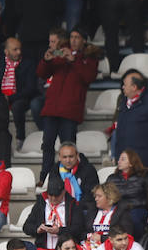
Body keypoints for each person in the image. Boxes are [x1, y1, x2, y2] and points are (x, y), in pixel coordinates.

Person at [38, 31, 101, 184]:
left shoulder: (89, 58)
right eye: (72, 37)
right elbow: (41, 73)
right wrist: (46, 60)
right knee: (47, 144)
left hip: (70, 110)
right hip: (53, 107)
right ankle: (45, 178)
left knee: (68, 147)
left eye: (77, 37)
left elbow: (88, 77)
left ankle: (68, 178)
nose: (73, 40)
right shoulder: (60, 53)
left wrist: (74, 61)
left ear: (84, 40)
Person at [111, 71, 148, 169]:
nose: (122, 87)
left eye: (125, 85)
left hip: (144, 163)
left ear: (134, 87)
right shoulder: (124, 102)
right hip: (125, 163)